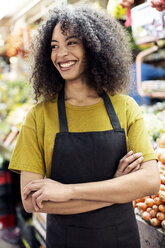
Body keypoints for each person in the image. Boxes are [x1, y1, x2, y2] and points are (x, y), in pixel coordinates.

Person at [9, 5, 160, 248]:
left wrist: (68, 192)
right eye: (54, 46)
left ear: (93, 46)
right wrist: (117, 188)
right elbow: (32, 202)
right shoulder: (38, 117)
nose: (61, 54)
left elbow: (149, 182)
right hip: (66, 240)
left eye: (71, 43)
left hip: (121, 240)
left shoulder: (125, 107)